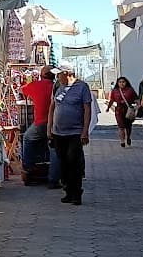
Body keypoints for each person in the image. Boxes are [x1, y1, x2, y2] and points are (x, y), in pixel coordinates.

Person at [49, 67, 93, 205]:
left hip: (75, 132)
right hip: (58, 132)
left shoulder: (82, 87)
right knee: (63, 161)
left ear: (67, 74)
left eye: (59, 75)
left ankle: (76, 192)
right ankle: (67, 190)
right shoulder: (57, 87)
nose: (57, 78)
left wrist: (85, 131)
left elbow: (87, 109)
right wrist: (49, 128)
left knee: (73, 160)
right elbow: (52, 107)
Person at [18, 66, 56, 185]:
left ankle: (28, 167)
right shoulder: (56, 87)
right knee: (54, 147)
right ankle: (54, 174)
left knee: (27, 138)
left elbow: (21, 90)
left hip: (41, 123)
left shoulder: (36, 85)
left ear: (41, 75)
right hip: (56, 123)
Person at [107, 76, 138, 147]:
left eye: (123, 82)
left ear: (126, 83)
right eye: (120, 82)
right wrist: (108, 107)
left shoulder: (130, 90)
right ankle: (122, 141)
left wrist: (138, 106)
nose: (122, 83)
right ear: (117, 83)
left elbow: (136, 99)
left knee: (128, 126)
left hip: (128, 110)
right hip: (119, 110)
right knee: (121, 126)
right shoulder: (115, 91)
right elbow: (111, 100)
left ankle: (128, 137)